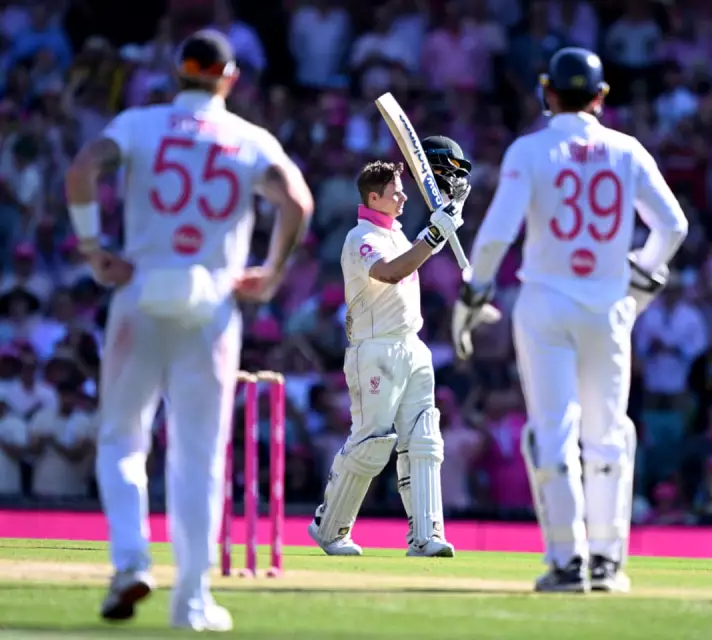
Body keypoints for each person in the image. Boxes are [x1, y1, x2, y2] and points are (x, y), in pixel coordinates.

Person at [64, 29, 313, 630]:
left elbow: (82, 169)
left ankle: (130, 563)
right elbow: (298, 203)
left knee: (123, 440)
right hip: (212, 302)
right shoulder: (248, 138)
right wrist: (273, 272)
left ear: (178, 72)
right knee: (200, 457)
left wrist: (95, 248)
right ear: (229, 78)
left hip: (142, 290)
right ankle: (193, 600)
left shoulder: (140, 123)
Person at [452, 47, 688, 593]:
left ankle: (566, 561)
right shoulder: (627, 150)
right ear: (601, 96)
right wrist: (640, 275)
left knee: (552, 432)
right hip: (607, 308)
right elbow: (672, 227)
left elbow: (494, 237)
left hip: (546, 303)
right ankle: (607, 561)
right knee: (608, 433)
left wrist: (471, 296)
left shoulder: (530, 150)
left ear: (547, 93)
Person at [308, 137, 470, 558]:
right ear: (373, 197)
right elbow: (392, 273)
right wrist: (434, 235)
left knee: (424, 440)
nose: (402, 195)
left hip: (411, 345)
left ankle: (426, 536)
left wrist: (450, 216)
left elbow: (419, 248)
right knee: (371, 442)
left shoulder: (397, 232)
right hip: (374, 350)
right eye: (395, 191)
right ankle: (330, 529)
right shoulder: (360, 238)